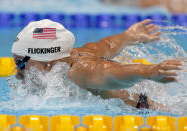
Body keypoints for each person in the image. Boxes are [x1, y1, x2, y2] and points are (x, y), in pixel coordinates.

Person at [12, 19, 183, 110]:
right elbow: (107, 44)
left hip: (152, 108)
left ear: (46, 60)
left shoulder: (78, 71)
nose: (17, 73)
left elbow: (109, 72)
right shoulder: (79, 52)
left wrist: (149, 71)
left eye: (20, 64)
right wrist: (129, 36)